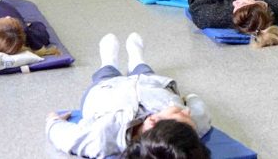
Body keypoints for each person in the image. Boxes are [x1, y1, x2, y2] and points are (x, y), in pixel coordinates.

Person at [45, 33, 211, 158]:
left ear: (152, 121)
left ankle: (108, 61)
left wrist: (53, 121)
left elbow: (66, 137)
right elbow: (199, 110)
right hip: (151, 85)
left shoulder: (103, 136)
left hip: (106, 91)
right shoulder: (192, 128)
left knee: (105, 75)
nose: (187, 112)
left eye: (180, 112)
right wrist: (190, 98)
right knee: (145, 72)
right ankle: (137, 59)